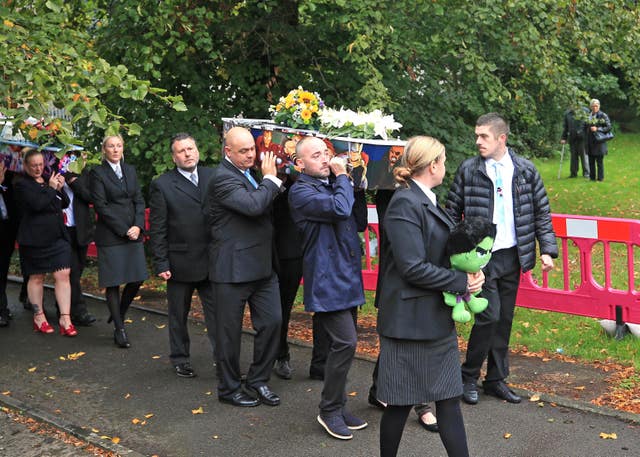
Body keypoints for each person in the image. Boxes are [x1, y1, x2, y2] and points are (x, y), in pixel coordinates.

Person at [376, 136, 480, 457]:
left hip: (433, 319)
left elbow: (441, 252)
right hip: (408, 323)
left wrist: (472, 269)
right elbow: (412, 268)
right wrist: (460, 281)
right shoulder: (404, 203)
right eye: (444, 160)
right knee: (399, 404)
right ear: (433, 164)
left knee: (449, 399)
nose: (445, 166)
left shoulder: (428, 199)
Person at [446, 113, 557, 406]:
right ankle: (467, 376)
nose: (478, 141)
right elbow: (451, 212)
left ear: (501, 138)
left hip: (513, 254)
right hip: (481, 258)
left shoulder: (525, 170)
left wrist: (546, 249)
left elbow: (541, 212)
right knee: (489, 315)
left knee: (503, 319)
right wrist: (454, 255)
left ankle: (495, 379)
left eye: (484, 136)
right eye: (477, 136)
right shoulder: (469, 169)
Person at [289, 136, 367, 440]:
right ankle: (329, 410)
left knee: (344, 347)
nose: (325, 159)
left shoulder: (334, 184)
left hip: (347, 276)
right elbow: (337, 209)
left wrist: (357, 184)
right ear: (300, 164)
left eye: (327, 153)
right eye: (316, 155)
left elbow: (356, 219)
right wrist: (343, 177)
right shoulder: (301, 192)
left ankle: (337, 403)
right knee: (345, 343)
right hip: (326, 280)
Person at [206, 127, 282, 408]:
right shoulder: (222, 179)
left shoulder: (250, 173)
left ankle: (258, 380)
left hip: (262, 267)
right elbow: (253, 205)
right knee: (228, 333)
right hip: (232, 269)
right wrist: (271, 180)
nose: (252, 154)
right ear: (228, 152)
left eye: (252, 148)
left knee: (273, 322)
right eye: (244, 151)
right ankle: (228, 389)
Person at [368, 187, 439, 434]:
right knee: (408, 347)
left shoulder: (429, 194)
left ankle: (380, 390)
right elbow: (406, 254)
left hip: (421, 284)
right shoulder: (396, 198)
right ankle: (420, 404)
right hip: (403, 286)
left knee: (403, 348)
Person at [149, 133, 217, 378]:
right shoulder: (163, 184)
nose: (187, 154)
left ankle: (223, 358)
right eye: (181, 151)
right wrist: (161, 262)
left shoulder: (213, 176)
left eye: (190, 148)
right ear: (173, 156)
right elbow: (157, 227)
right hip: (180, 262)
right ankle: (180, 358)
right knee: (178, 314)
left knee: (218, 315)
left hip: (212, 261)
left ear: (197, 150)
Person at [90, 135, 148, 348]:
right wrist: (124, 230)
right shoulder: (97, 173)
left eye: (119, 146)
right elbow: (101, 206)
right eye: (111, 146)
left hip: (133, 230)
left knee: (138, 278)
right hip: (111, 234)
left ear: (123, 148)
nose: (115, 149)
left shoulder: (130, 170)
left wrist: (138, 226)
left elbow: (139, 200)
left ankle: (119, 314)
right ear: (104, 150)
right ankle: (119, 329)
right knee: (113, 282)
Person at [13, 149, 77, 336]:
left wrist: (59, 187)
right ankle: (39, 316)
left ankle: (66, 318)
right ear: (25, 166)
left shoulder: (48, 179)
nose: (38, 168)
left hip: (57, 236)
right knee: (37, 276)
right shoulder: (21, 184)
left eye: (41, 164)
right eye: (34, 165)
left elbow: (63, 203)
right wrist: (50, 188)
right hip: (34, 239)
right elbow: (37, 204)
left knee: (63, 273)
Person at [272, 174, 303, 380]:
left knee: (283, 306)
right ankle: (270, 354)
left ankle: (281, 354)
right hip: (261, 247)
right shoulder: (258, 171)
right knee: (269, 310)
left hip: (291, 250)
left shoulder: (302, 180)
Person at [60, 168, 97, 326]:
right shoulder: (51, 170)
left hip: (80, 229)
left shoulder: (84, 172)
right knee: (72, 271)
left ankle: (62, 304)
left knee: (78, 269)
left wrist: (73, 182)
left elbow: (91, 197)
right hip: (61, 229)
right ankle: (79, 311)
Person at [0, 161, 19, 327]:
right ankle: (2, 310)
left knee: (2, 270)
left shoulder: (9, 176)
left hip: (7, 230)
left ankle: (2, 308)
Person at [585, 98, 612, 182]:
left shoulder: (603, 115)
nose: (594, 108)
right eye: (593, 106)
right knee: (591, 161)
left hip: (599, 141)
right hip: (590, 141)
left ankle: (600, 178)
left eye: (596, 106)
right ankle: (592, 178)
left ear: (599, 106)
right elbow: (585, 126)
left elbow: (608, 127)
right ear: (590, 107)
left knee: (599, 162)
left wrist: (597, 129)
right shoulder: (588, 116)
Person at [560, 105, 590, 178]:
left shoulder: (585, 111)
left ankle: (586, 173)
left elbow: (588, 124)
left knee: (584, 155)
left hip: (583, 138)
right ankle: (573, 173)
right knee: (573, 157)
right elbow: (566, 127)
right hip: (572, 138)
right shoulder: (567, 114)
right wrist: (564, 138)